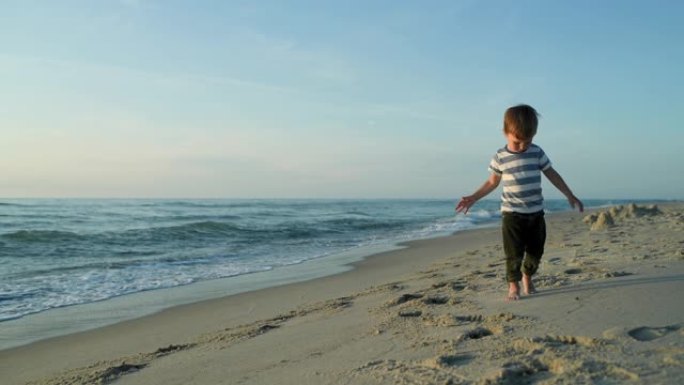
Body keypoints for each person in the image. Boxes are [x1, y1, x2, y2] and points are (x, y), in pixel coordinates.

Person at [456, 104, 583, 301]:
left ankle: (527, 276)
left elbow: (552, 174)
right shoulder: (500, 157)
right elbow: (492, 182)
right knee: (513, 253)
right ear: (505, 132)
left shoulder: (536, 152)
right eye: (518, 142)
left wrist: (569, 194)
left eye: (528, 141)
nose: (523, 146)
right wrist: (473, 197)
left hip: (536, 213)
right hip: (511, 213)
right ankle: (513, 285)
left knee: (535, 252)